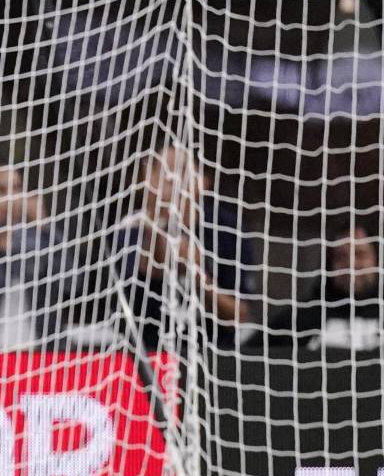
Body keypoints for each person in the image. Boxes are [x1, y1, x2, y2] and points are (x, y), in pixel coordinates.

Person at [113, 144, 260, 350]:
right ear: (145, 180)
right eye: (163, 173)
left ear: (203, 182)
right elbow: (129, 299)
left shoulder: (227, 229)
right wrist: (156, 236)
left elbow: (238, 314)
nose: (173, 182)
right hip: (147, 353)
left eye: (182, 171)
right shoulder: (130, 229)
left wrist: (197, 275)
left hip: (214, 353)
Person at [0, 165, 71, 351]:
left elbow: (72, 284)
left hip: (44, 352)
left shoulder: (38, 237)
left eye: (17, 188)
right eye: (1, 190)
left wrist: (45, 227)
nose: (10, 198)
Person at [265, 214, 384, 352]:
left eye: (360, 254)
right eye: (341, 257)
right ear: (329, 265)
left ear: (377, 260)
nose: (351, 264)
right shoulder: (299, 319)